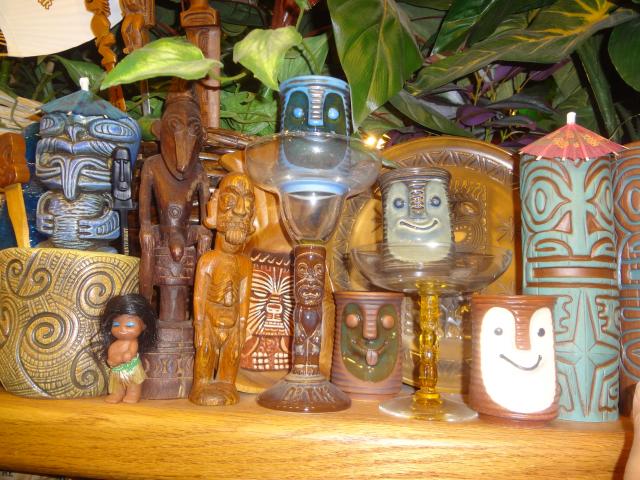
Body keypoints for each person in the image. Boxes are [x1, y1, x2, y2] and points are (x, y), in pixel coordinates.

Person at [99, 294, 157, 403]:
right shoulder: (115, 343)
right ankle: (117, 394)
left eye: (129, 325)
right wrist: (111, 359)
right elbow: (112, 351)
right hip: (117, 369)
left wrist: (127, 355)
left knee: (133, 382)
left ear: (144, 326)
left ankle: (133, 394)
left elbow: (131, 352)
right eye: (116, 325)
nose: (121, 329)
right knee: (117, 383)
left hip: (131, 368)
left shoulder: (133, 342)